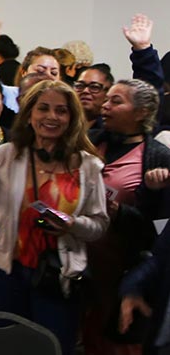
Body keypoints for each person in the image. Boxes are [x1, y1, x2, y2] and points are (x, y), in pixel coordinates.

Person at [0, 80, 109, 355]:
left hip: (58, 274)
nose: (52, 117)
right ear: (29, 114)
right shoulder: (9, 155)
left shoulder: (88, 166)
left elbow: (99, 225)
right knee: (4, 345)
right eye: (43, 109)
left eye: (61, 111)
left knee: (52, 346)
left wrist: (72, 224)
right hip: (6, 271)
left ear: (72, 118)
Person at [83, 79, 169, 354]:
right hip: (77, 255)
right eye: (106, 100)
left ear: (142, 112)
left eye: (116, 101)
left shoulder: (157, 157)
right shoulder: (89, 142)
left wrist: (121, 212)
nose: (105, 106)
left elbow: (158, 229)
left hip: (118, 263)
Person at [75, 64, 114, 130]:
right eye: (80, 85)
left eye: (94, 87)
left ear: (108, 93)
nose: (85, 91)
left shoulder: (113, 130)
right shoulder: (63, 124)